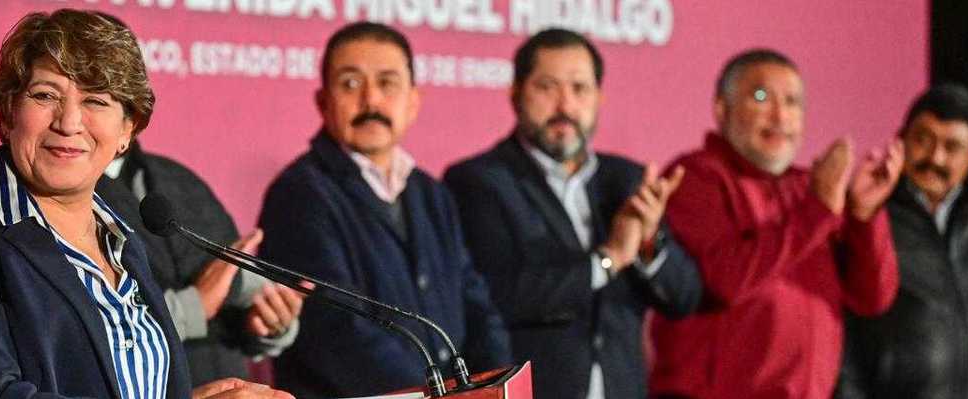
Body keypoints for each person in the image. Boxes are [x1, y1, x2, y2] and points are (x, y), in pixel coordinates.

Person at [0, 9, 291, 399]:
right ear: (8, 112)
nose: (69, 122)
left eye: (96, 101)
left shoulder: (122, 241)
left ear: (127, 131)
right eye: (45, 95)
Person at [255, 21, 512, 398]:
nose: (371, 101)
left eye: (387, 83)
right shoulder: (299, 194)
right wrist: (436, 396)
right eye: (351, 84)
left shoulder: (431, 192)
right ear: (323, 102)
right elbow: (337, 333)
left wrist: (495, 385)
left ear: (413, 102)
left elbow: (475, 306)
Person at [443, 28, 702, 399]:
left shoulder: (626, 180)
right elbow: (499, 295)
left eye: (580, 89)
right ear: (515, 94)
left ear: (599, 98)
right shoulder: (478, 182)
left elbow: (683, 298)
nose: (565, 106)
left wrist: (647, 245)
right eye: (547, 87)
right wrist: (608, 259)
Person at [648, 49, 903, 399]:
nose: (780, 115)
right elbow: (721, 281)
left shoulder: (810, 188)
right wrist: (817, 211)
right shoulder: (695, 177)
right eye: (761, 97)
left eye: (793, 102)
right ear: (722, 109)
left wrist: (862, 215)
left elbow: (872, 297)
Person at [97, 142, 304, 386]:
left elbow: (238, 279)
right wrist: (194, 306)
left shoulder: (180, 179)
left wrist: (271, 316)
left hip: (229, 381)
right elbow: (89, 331)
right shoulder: (67, 195)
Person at [836, 84, 968, 399]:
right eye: (922, 140)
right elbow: (846, 333)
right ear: (900, 142)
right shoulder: (869, 216)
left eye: (952, 146)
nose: (935, 157)